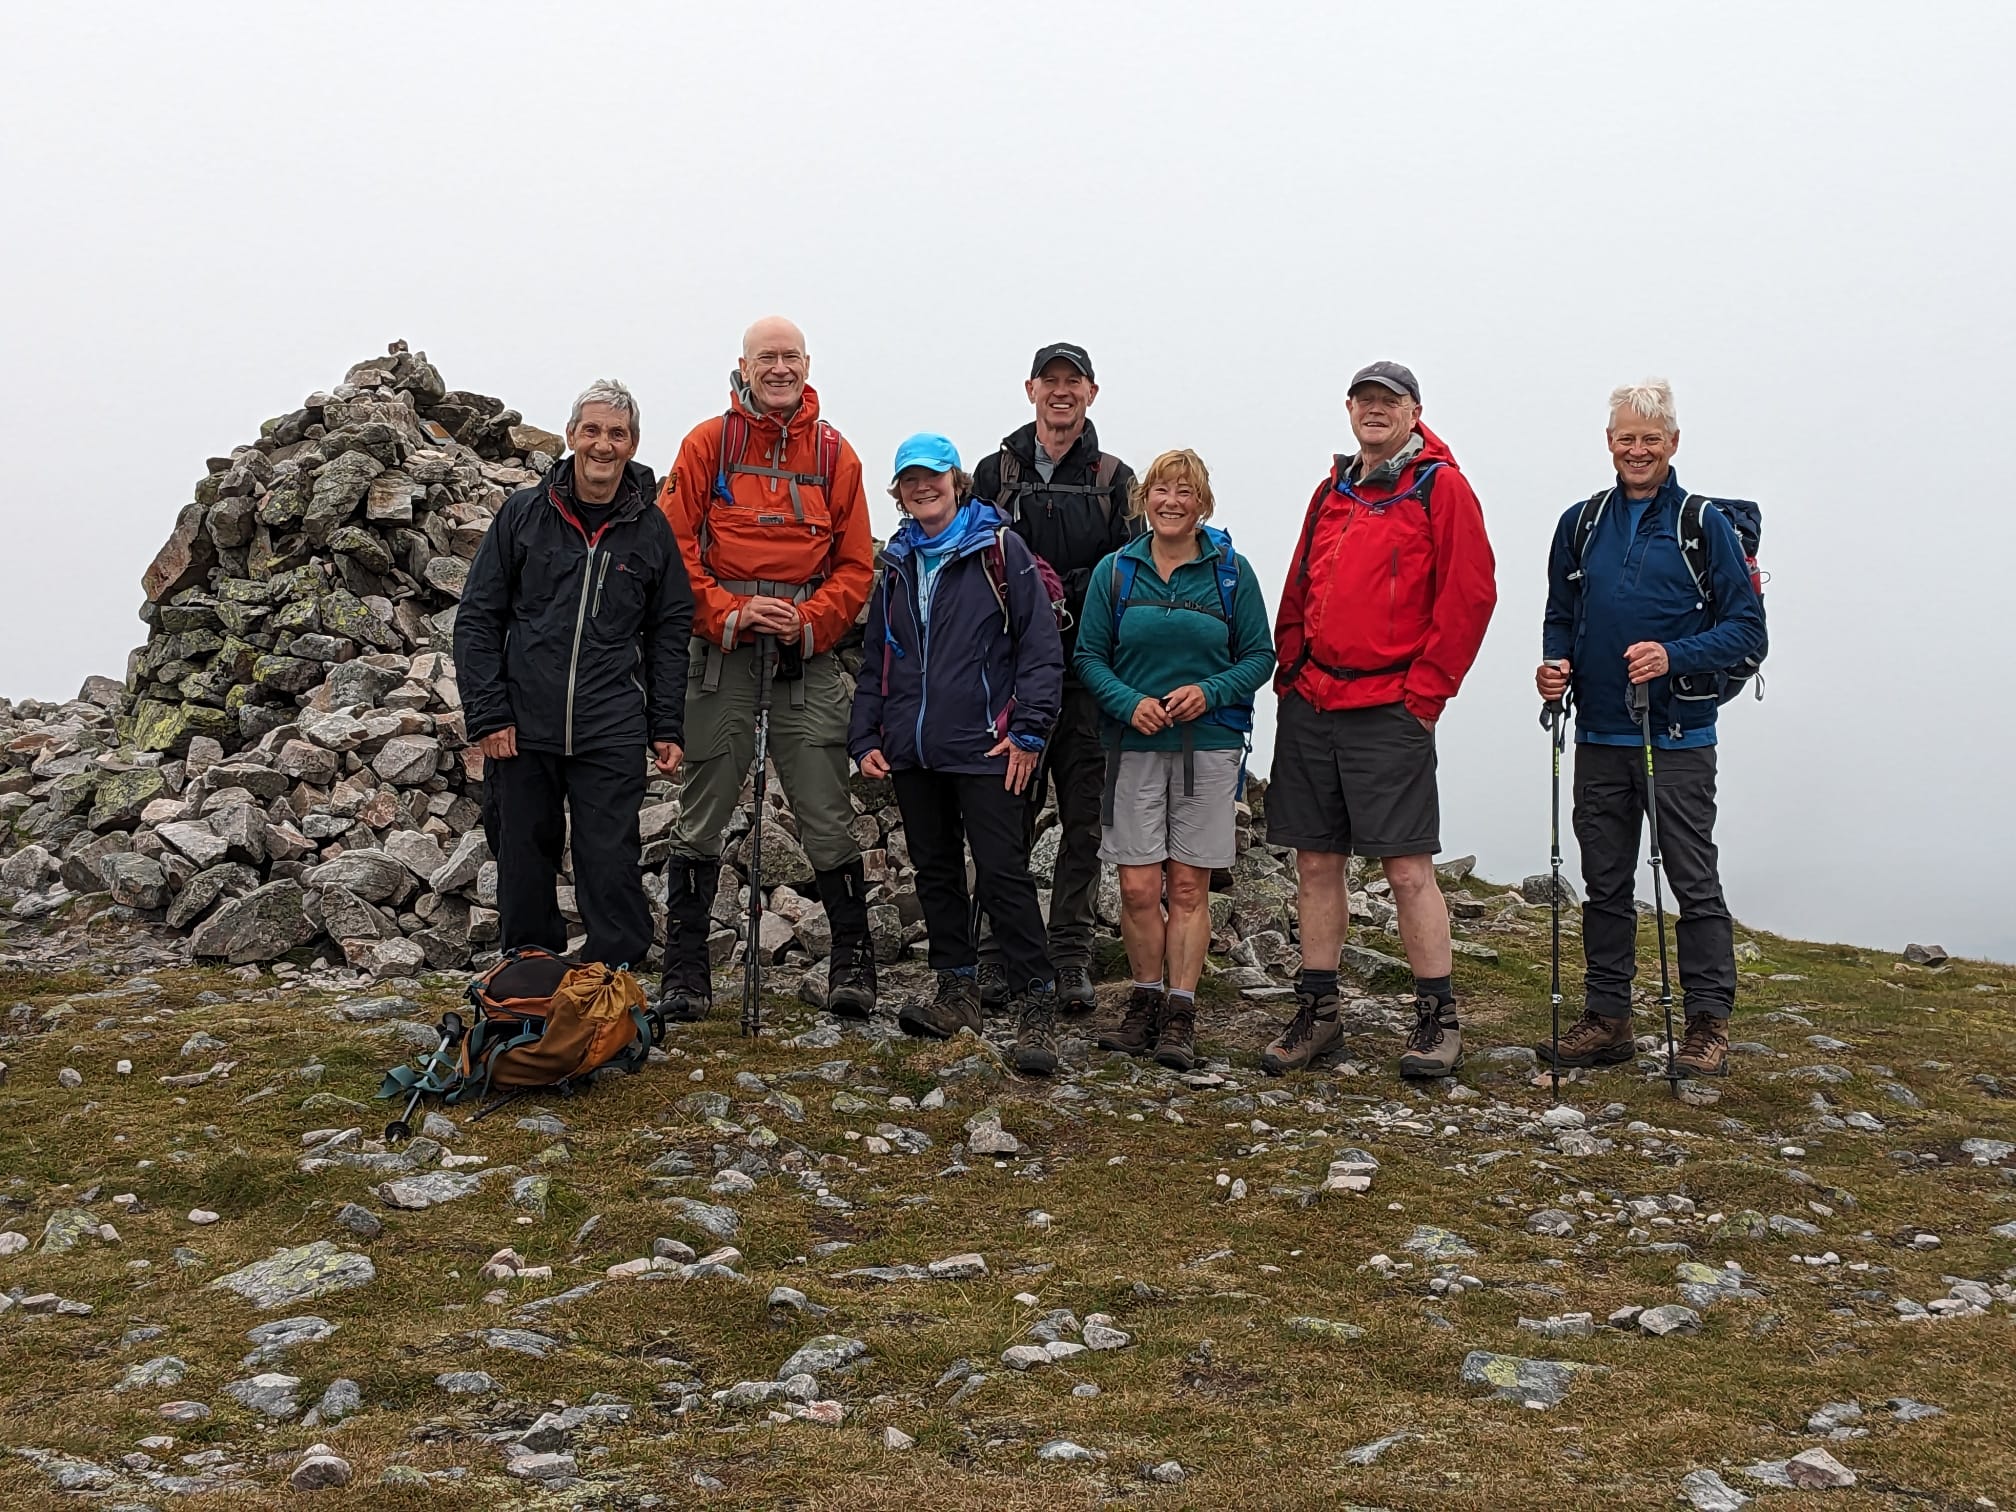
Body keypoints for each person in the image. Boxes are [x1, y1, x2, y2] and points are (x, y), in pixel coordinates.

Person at [1264, 361, 1497, 1078]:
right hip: (1315, 702)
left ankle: (1437, 1018)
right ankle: (1319, 1011)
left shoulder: (1440, 487)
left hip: (1390, 706)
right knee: (1315, 862)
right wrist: (1291, 668)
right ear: (1349, 409)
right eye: (1364, 401)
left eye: (1387, 402)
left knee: (1405, 869)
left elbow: (1470, 594)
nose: (1374, 412)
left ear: (1414, 411)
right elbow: (1302, 580)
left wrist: (1425, 696)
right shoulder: (1331, 488)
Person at [1535, 379, 1767, 1078]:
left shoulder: (1705, 526)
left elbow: (1747, 630)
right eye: (1626, 438)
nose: (1637, 450)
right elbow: (1558, 611)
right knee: (1604, 882)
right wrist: (1555, 665)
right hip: (1601, 736)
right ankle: (1608, 1019)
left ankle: (1706, 1025)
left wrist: (1673, 656)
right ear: (1609, 442)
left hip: (1679, 737)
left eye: (1651, 439)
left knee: (1692, 881)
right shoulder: (1580, 522)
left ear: (1672, 444)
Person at [655, 318, 878, 1023]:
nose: (778, 369)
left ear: (808, 364)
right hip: (720, 654)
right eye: (766, 358)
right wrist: (728, 612)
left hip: (802, 658)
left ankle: (853, 961)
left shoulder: (837, 454)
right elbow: (674, 551)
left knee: (826, 810)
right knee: (702, 810)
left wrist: (808, 623)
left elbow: (855, 565)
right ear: (743, 367)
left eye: (790, 358)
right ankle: (686, 970)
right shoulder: (705, 445)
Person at [848, 435, 1066, 1075]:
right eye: (910, 480)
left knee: (1001, 872)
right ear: (899, 492)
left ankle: (1036, 999)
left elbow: (1040, 647)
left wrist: (1029, 731)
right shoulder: (895, 563)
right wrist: (865, 736)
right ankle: (956, 989)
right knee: (935, 871)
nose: (922, 489)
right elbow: (876, 660)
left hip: (986, 745)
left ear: (956, 480)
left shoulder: (1000, 548)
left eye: (933, 477)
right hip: (913, 749)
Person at [457, 380, 693, 969]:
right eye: (592, 430)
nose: (603, 445)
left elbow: (669, 631)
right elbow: (478, 619)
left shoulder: (651, 530)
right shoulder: (523, 515)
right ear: (570, 437)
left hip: (610, 725)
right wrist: (488, 713)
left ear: (633, 444)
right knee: (523, 854)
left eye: (617, 434)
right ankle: (529, 977)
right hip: (523, 725)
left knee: (609, 857)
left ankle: (614, 981)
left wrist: (666, 724)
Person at [1073, 450, 1273, 1071]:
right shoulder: (1116, 572)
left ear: (1203, 503)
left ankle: (1180, 1013)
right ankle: (1145, 999)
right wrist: (1129, 704)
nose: (1171, 501)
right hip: (1132, 746)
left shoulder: (1231, 573)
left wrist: (1208, 693)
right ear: (1144, 500)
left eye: (1185, 492)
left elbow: (1260, 658)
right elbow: (1086, 658)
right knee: (1137, 886)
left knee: (1188, 884)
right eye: (1161, 489)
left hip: (1208, 747)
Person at [970, 344, 1138, 1017]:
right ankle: (996, 952)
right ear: (1030, 389)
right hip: (1010, 679)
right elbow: (971, 563)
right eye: (1051, 382)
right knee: (1000, 816)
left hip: (1088, 676)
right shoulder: (993, 473)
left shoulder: (1115, 478)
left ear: (1092, 393)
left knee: (1083, 824)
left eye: (1074, 383)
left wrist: (1066, 593)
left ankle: (1069, 957)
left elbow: (1128, 574)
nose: (1061, 393)